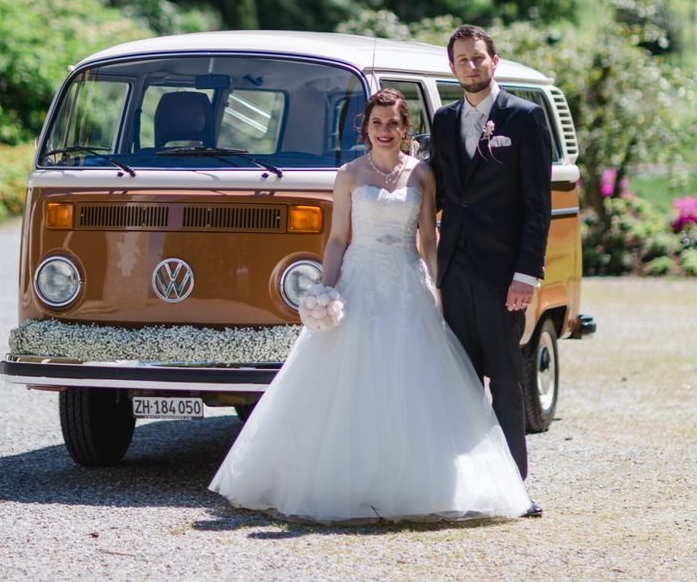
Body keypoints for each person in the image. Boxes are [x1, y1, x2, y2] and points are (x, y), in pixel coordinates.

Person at [209, 89, 531, 524]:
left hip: (405, 280)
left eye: (393, 124)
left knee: (411, 379)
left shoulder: (422, 175)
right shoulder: (349, 175)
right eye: (377, 123)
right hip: (359, 281)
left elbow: (429, 241)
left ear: (405, 129)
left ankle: (421, 484)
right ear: (366, 128)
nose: (385, 131)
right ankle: (345, 481)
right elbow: (338, 238)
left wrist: (442, 289)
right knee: (348, 380)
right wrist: (325, 292)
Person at [430, 24, 552, 514]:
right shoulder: (442, 120)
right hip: (453, 268)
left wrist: (527, 274)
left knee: (504, 377)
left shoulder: (524, 118)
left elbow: (536, 205)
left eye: (478, 58)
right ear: (452, 67)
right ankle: (460, 485)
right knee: (457, 379)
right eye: (461, 60)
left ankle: (513, 489)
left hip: (504, 274)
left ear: (494, 61)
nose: (471, 66)